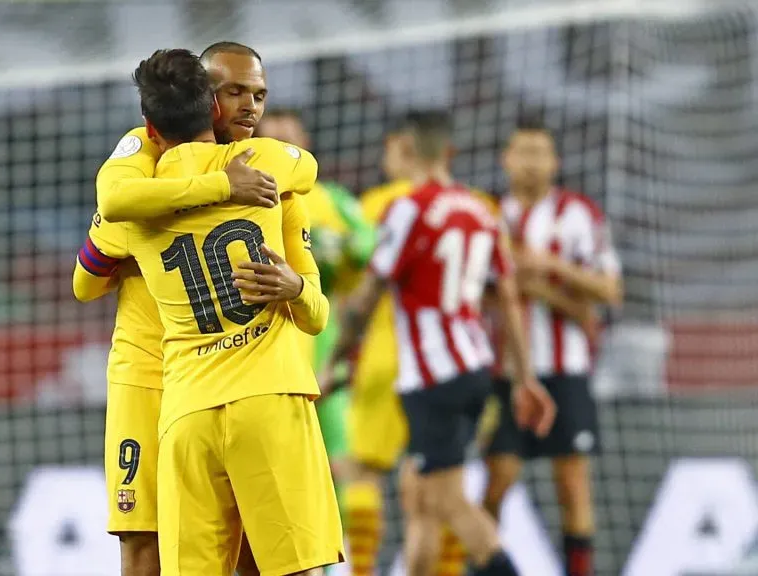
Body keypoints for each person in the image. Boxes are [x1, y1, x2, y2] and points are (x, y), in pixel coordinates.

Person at [81, 48, 343, 576]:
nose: (250, 107)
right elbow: (89, 270)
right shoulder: (143, 168)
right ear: (207, 100)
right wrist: (219, 188)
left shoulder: (272, 184)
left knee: (251, 550)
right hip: (154, 379)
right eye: (235, 92)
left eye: (260, 95)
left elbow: (314, 309)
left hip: (212, 389)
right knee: (143, 548)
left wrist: (294, 288)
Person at [322, 110, 555, 576]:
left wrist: (336, 359)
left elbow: (368, 294)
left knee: (447, 502)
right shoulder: (480, 210)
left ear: (405, 150)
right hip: (474, 369)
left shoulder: (404, 207)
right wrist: (526, 377)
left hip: (429, 374)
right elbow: (507, 299)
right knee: (424, 497)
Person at [482, 116, 622, 576]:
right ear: (506, 159)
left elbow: (610, 291)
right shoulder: (488, 215)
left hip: (566, 369)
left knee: (572, 484)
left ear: (556, 162)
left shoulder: (578, 214)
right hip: (503, 370)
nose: (530, 162)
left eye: (539, 153)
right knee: (497, 482)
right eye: (522, 152)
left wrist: (547, 267)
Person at [257, 107, 377, 507]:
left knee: (338, 465)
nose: (282, 149)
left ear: (304, 145)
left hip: (326, 345)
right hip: (269, 354)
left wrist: (336, 246)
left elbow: (370, 245)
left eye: (289, 140)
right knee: (281, 475)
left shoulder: (333, 201)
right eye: (272, 141)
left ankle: (335, 568)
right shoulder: (247, 206)